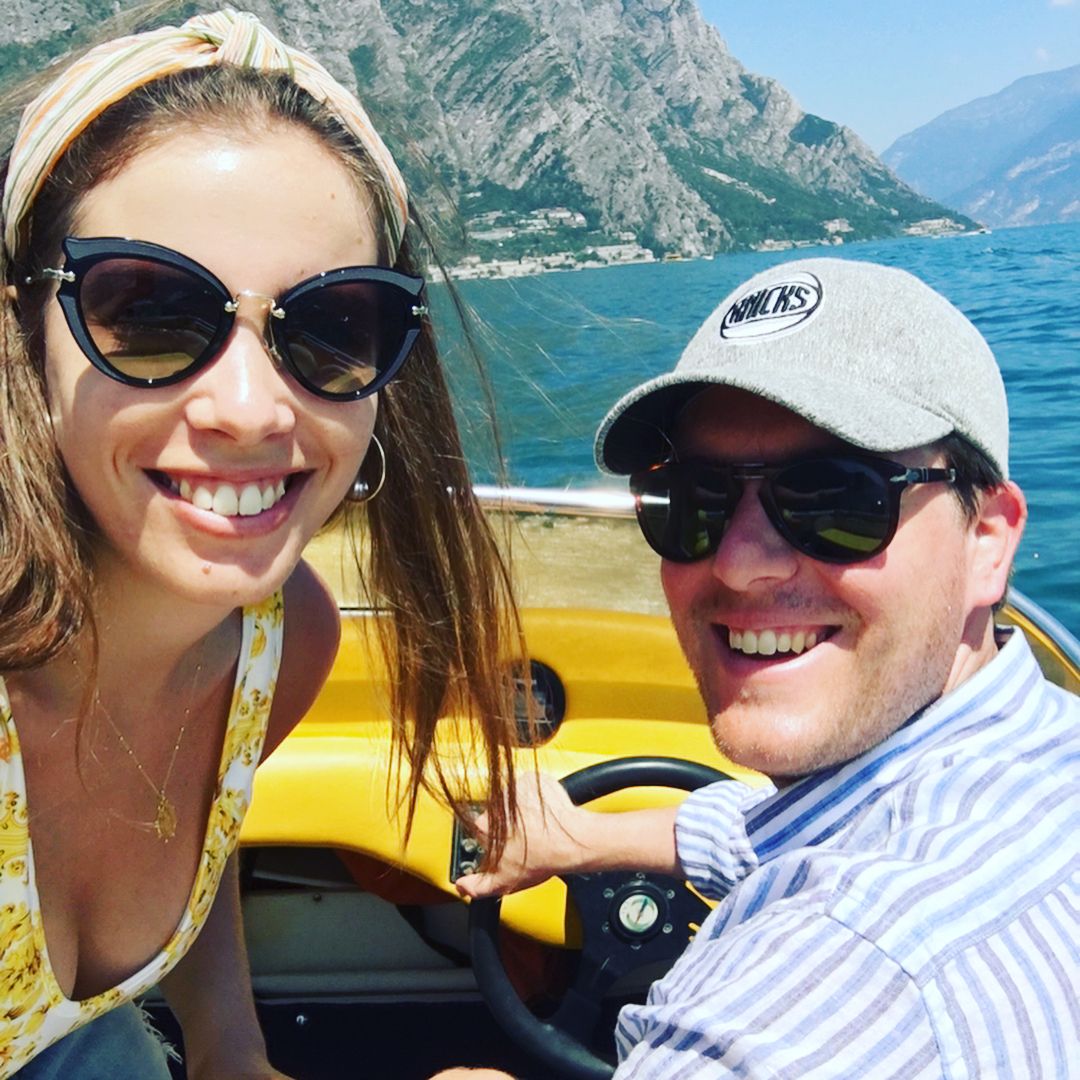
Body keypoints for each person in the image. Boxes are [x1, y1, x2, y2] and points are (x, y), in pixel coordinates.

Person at [0, 9, 522, 1077]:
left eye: (333, 327)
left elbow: (200, 819)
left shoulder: (279, 642)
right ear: (24, 335)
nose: (250, 410)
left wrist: (231, 1044)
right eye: (150, 312)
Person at [453, 258, 1080, 1077]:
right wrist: (579, 838)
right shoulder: (1035, 749)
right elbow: (788, 829)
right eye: (692, 500)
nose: (740, 562)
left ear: (987, 541)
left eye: (835, 499)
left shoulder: (815, 1004)